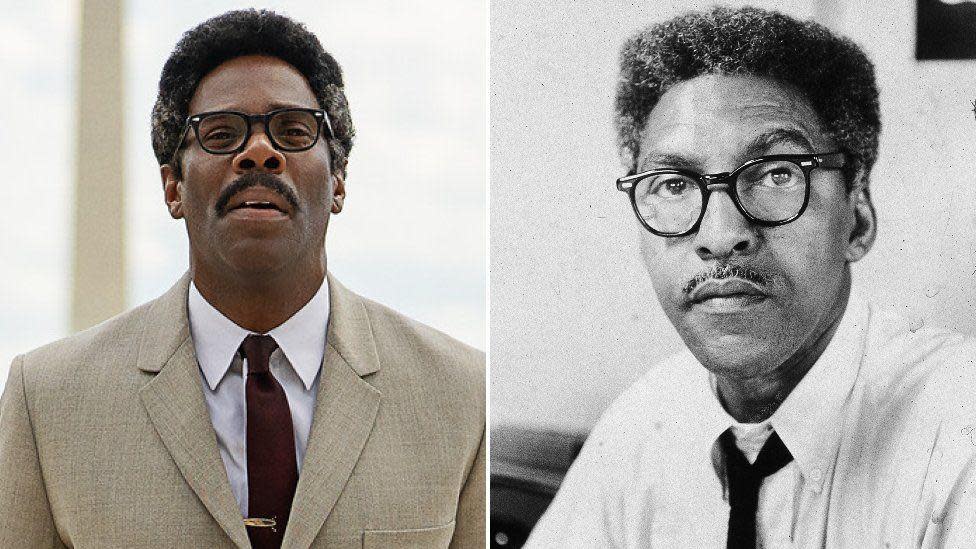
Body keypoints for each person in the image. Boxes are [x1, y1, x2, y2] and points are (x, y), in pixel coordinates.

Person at [0, 9, 484, 549]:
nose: (260, 152)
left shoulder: (463, 397)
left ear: (339, 180)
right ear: (172, 188)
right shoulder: (46, 403)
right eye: (222, 133)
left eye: (294, 131)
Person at [526, 7, 976, 548]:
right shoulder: (641, 427)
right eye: (673, 184)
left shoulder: (957, 431)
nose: (720, 234)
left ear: (857, 218)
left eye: (775, 174)